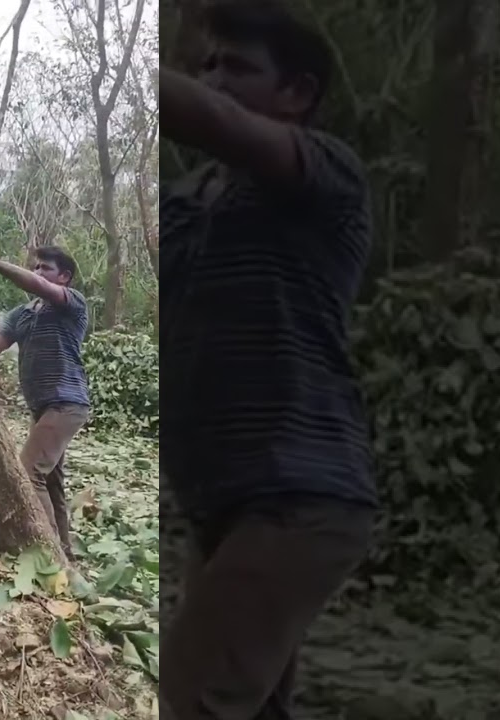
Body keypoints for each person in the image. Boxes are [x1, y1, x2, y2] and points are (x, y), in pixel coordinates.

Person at [159, 1, 376, 718]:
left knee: (186, 699)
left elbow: (215, 123)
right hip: (220, 503)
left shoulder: (326, 177)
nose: (216, 80)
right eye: (208, 65)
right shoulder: (189, 205)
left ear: (298, 94)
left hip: (297, 494)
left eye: (239, 67)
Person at [0, 246, 90, 561]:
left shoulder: (72, 304)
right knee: (51, 484)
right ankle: (65, 553)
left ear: (64, 277)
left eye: (45, 268)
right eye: (34, 267)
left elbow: (38, 288)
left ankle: (52, 558)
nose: (37, 273)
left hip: (67, 403)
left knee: (28, 471)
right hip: (42, 410)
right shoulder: (20, 316)